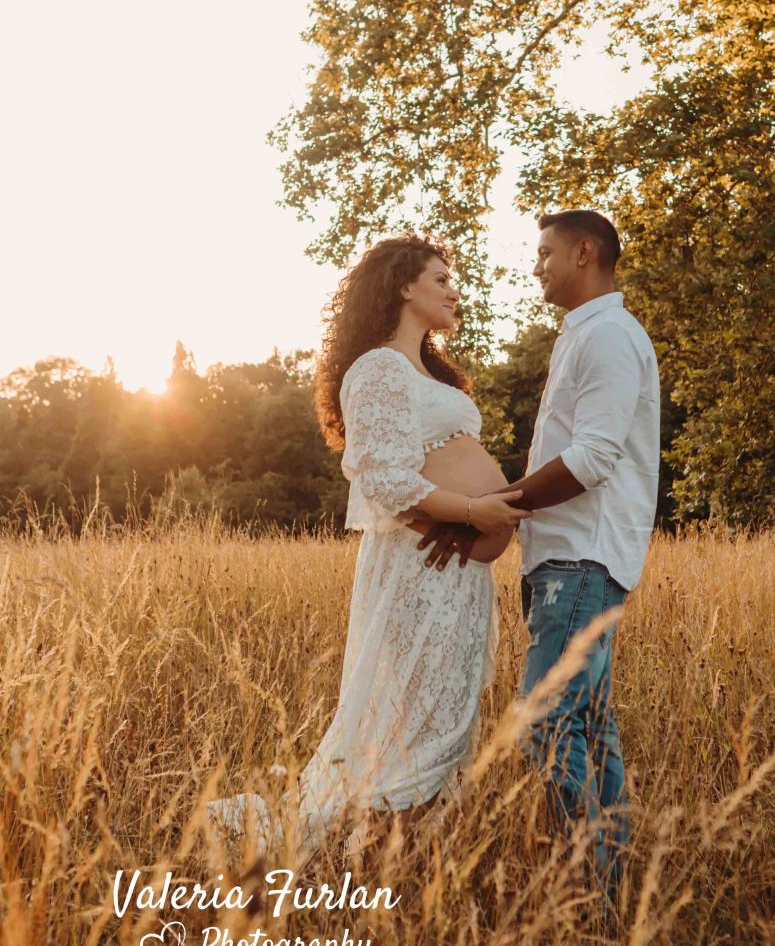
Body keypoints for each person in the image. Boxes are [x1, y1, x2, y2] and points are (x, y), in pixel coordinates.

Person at [206, 234, 527, 867]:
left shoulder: (432, 372)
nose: (453, 289)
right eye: (441, 278)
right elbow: (382, 475)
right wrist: (472, 510)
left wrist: (492, 512)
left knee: (445, 716)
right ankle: (366, 859)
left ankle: (410, 863)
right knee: (410, 718)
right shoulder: (377, 368)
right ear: (404, 287)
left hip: (457, 570)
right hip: (418, 566)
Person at [417, 210, 661, 905]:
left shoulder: (609, 336)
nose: (536, 267)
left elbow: (593, 458)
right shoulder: (583, 335)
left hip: (581, 563)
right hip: (567, 561)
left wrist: (499, 507)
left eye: (545, 253)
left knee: (546, 723)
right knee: (589, 726)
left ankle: (590, 888)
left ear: (585, 253)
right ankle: (608, 898)